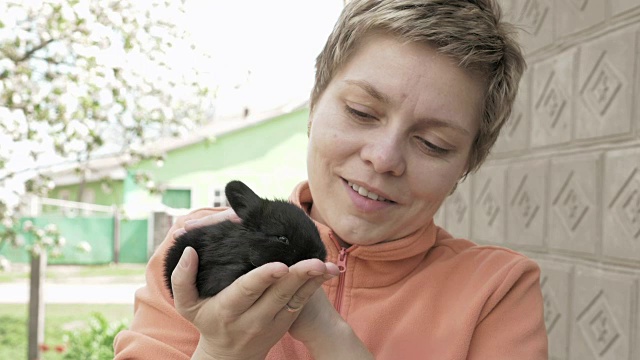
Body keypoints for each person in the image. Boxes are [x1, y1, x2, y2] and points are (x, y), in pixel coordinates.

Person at [114, 0, 548, 359]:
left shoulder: (497, 289)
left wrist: (327, 332)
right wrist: (221, 351)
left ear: (467, 166)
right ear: (313, 105)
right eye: (361, 112)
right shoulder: (198, 247)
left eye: (433, 143)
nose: (383, 158)